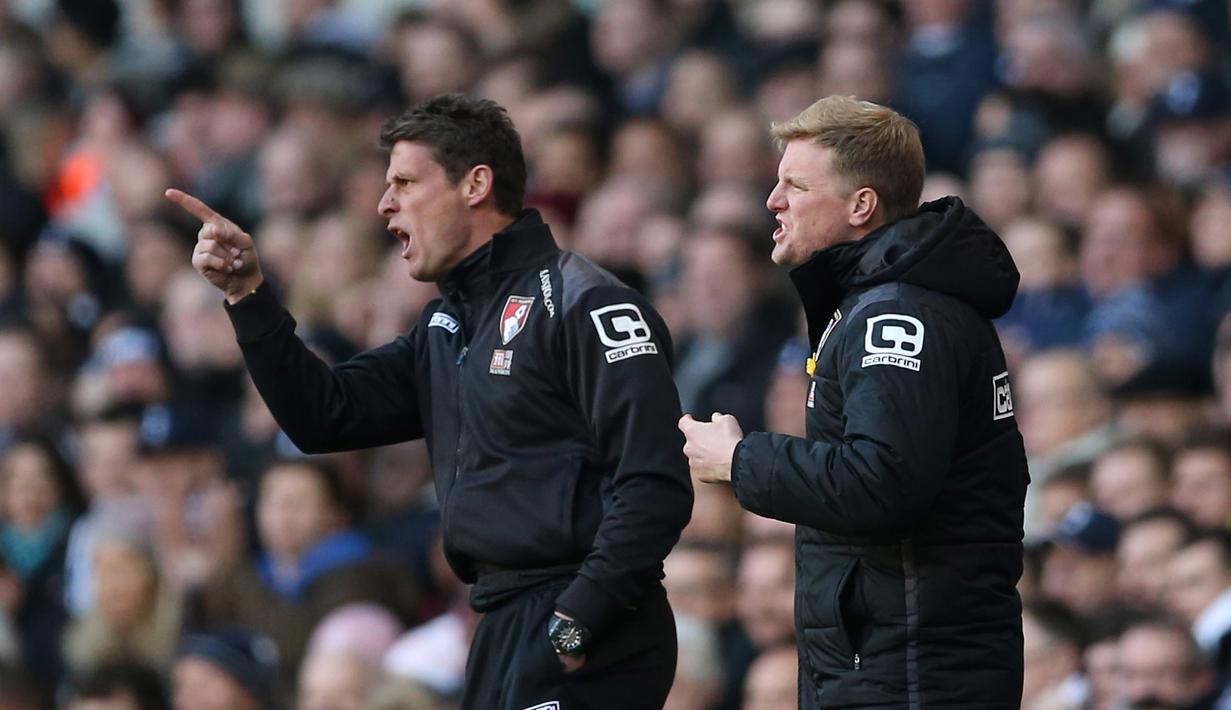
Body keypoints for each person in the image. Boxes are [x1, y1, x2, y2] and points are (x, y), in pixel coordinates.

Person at [166, 93, 692, 709]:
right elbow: (323, 414)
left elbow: (654, 482)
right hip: (502, 621)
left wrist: (581, 613)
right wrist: (249, 297)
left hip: (586, 619)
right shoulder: (447, 327)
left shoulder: (585, 305)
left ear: (475, 184)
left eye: (405, 182)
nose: (385, 203)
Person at [679, 95, 1029, 707]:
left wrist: (740, 461)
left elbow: (882, 482)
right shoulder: (890, 301)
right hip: (896, 659)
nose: (773, 201)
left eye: (795, 185)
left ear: (860, 204)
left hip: (912, 670)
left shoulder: (895, 314)